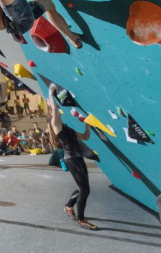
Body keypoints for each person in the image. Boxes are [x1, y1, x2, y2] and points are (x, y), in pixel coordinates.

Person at [48, 85, 97, 230]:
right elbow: (55, 110)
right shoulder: (56, 125)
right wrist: (51, 94)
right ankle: (81, 219)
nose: (57, 113)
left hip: (79, 159)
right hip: (72, 160)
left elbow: (85, 137)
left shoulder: (68, 128)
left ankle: (69, 206)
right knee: (85, 190)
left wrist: (87, 126)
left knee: (83, 188)